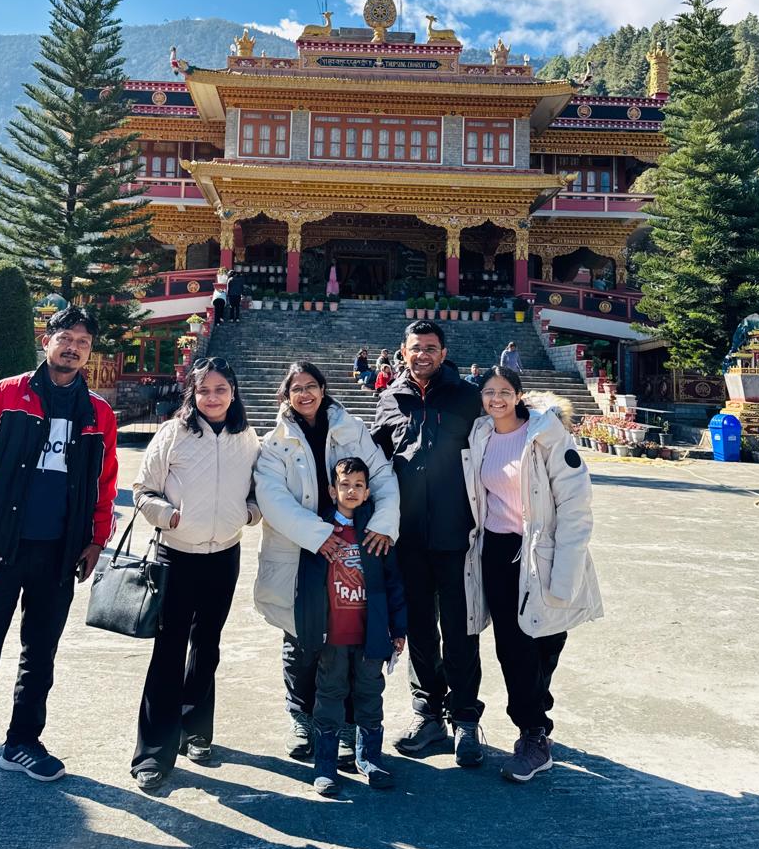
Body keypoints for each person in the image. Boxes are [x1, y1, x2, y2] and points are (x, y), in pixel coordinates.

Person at [0, 306, 118, 827]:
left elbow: (104, 485)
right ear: (46, 340)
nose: (74, 347)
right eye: (66, 337)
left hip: (57, 553)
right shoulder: (5, 396)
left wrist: (94, 541)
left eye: (83, 340)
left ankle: (21, 742)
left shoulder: (97, 414)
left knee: (41, 655)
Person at [253, 360, 399, 765]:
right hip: (302, 548)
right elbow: (272, 498)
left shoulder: (351, 429)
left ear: (323, 388)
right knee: (302, 636)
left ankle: (348, 723)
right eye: (296, 387)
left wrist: (384, 524)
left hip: (352, 545)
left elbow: (383, 476)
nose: (305, 394)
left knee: (349, 635)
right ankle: (302, 715)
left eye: (312, 385)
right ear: (286, 394)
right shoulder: (274, 443)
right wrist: (319, 537)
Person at [130, 357, 260, 793]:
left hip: (225, 553)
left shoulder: (248, 438)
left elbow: (260, 490)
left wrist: (250, 513)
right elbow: (142, 489)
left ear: (234, 392)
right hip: (177, 554)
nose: (212, 397)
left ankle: (196, 731)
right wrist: (168, 517)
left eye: (221, 389)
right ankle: (153, 752)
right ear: (193, 393)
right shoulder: (173, 433)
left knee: (208, 646)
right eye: (204, 390)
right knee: (168, 649)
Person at [468, 367, 602, 781]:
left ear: (519, 395)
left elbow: (575, 506)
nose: (496, 399)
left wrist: (566, 571)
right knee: (513, 645)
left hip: (540, 551)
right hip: (498, 550)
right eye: (489, 392)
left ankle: (536, 718)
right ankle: (533, 731)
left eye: (504, 392)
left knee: (546, 639)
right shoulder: (480, 434)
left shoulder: (546, 436)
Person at [372, 320, 486, 768]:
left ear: (444, 352)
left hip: (456, 535)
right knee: (418, 630)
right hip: (409, 538)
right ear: (402, 351)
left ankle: (466, 719)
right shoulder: (389, 400)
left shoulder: (467, 397)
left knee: (460, 630)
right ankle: (428, 716)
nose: (423, 355)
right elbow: (375, 465)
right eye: (415, 348)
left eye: (431, 348)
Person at [294, 457, 407, 795]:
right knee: (329, 698)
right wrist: (309, 629)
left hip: (370, 635)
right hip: (333, 636)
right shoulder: (319, 530)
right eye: (345, 484)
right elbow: (306, 588)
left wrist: (398, 629)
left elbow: (394, 584)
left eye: (359, 485)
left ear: (368, 490)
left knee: (370, 696)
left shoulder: (376, 532)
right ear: (332, 490)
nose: (352, 490)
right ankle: (326, 764)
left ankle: (369, 758)